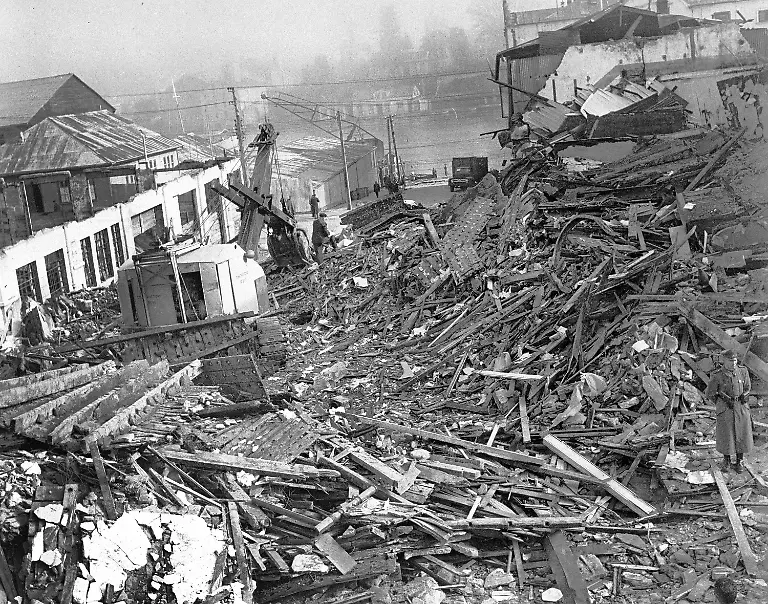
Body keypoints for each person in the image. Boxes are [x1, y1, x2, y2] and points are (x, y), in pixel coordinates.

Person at [706, 349, 753, 472]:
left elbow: (748, 387)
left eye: (735, 360)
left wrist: (745, 395)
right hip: (726, 408)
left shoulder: (742, 371)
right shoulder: (717, 375)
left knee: (742, 433)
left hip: (741, 406)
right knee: (727, 435)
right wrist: (722, 402)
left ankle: (739, 461)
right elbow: (710, 393)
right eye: (730, 361)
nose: (733, 363)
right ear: (724, 361)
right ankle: (726, 460)